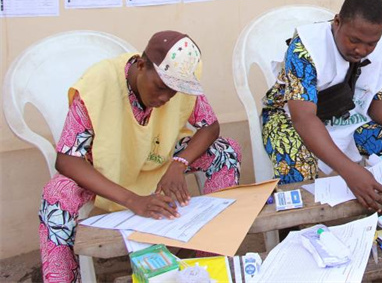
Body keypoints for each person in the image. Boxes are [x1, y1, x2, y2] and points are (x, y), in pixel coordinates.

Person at [39, 31, 241, 283]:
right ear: (141, 65)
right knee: (56, 195)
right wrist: (133, 200)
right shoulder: (97, 85)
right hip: (104, 169)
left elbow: (210, 126)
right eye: (160, 88)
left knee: (225, 151)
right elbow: (67, 159)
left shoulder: (181, 77)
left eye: (173, 92)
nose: (165, 98)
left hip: (158, 159)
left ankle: (210, 264)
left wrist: (179, 164)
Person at [261, 0, 382, 211]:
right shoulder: (306, 48)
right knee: (295, 154)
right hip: (290, 116)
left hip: (347, 114)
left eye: (370, 44)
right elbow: (304, 119)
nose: (361, 50)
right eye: (354, 40)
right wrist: (349, 171)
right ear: (337, 22)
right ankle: (296, 225)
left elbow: (377, 101)